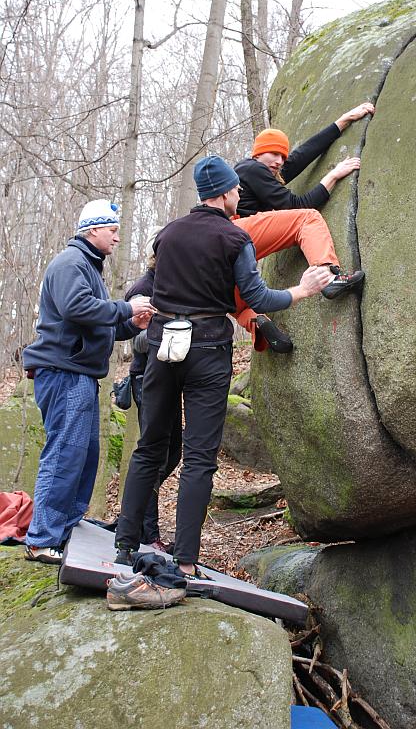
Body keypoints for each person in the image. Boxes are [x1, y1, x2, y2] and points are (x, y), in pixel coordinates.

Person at [115, 156, 332, 579]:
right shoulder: (235, 238)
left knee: (148, 449)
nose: (239, 196)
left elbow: (155, 291)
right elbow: (259, 295)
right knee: (198, 458)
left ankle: (124, 546)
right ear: (228, 193)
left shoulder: (167, 235)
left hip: (162, 348)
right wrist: (302, 290)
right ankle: (186, 560)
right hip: (207, 352)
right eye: (236, 191)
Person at [22, 200, 154, 565]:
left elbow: (96, 322)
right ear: (93, 230)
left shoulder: (88, 267)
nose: (117, 237)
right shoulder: (70, 263)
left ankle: (65, 529)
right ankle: (41, 539)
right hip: (63, 372)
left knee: (84, 456)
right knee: (65, 453)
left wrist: (131, 324)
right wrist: (127, 307)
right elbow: (76, 309)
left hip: (78, 373)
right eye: (112, 230)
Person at [231, 102, 375, 351]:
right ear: (258, 153)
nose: (278, 161)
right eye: (273, 154)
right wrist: (333, 175)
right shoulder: (251, 168)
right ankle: (328, 275)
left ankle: (257, 323)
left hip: (226, 251)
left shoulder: (257, 171)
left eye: (281, 156)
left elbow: (301, 156)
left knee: (238, 304)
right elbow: (296, 205)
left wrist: (343, 121)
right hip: (239, 231)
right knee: (306, 218)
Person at [124, 226, 181, 553]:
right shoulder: (143, 288)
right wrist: (167, 326)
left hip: (170, 377)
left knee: (175, 450)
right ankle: (148, 535)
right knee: (154, 456)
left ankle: (137, 506)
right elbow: (136, 340)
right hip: (146, 378)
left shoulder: (168, 286)